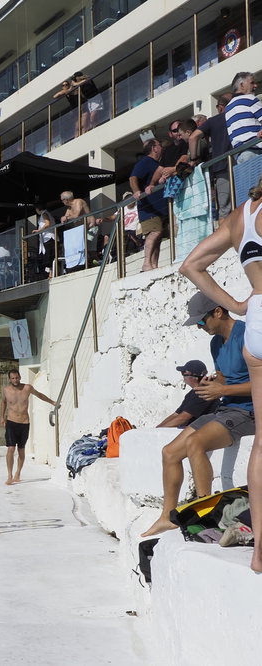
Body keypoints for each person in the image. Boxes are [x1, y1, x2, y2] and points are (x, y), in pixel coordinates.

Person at [177, 184, 262, 570]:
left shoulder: (240, 215)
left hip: (257, 317)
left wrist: (242, 304)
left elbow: (191, 265)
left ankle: (258, 552)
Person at [139, 293, 254, 545]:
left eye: (201, 322)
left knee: (196, 444)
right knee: (169, 452)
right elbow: (225, 378)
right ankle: (168, 515)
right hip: (227, 410)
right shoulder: (216, 343)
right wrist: (212, 384)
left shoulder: (248, 334)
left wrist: (223, 390)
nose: (200, 328)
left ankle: (207, 513)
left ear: (217, 312)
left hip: (250, 411)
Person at [0, 370, 57, 485]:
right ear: (10, 379)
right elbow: (4, 402)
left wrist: (52, 402)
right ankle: (9, 475)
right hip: (11, 422)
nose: (15, 380)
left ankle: (18, 473)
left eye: (17, 378)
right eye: (13, 378)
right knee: (10, 448)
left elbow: (39, 395)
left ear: (20, 377)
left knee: (21, 449)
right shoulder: (6, 390)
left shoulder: (27, 388)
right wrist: (2, 417)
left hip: (24, 423)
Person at [188, 92, 233, 219]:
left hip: (222, 168)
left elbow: (193, 138)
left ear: (221, 106)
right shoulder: (237, 114)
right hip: (241, 162)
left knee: (224, 209)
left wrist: (194, 158)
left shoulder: (214, 121)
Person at [129, 139, 168, 271]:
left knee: (158, 235)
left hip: (158, 207)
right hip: (148, 207)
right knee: (155, 232)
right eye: (159, 145)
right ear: (154, 148)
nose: (161, 147)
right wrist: (136, 192)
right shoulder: (146, 161)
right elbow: (133, 178)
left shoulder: (156, 163)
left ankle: (153, 265)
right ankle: (146, 263)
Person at [156, 360, 219, 427]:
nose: (182, 376)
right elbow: (176, 414)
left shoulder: (204, 392)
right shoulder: (192, 393)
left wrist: (158, 430)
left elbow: (183, 418)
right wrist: (157, 428)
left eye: (184, 373)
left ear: (194, 377)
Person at [224, 71, 262, 163]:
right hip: (256, 150)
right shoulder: (250, 99)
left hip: (239, 155)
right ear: (242, 85)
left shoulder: (228, 108)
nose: (255, 86)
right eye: (252, 83)